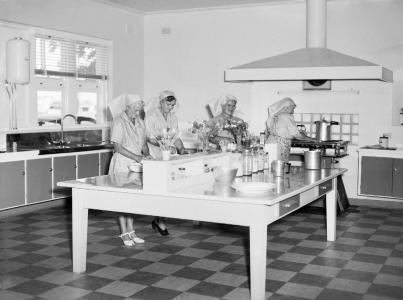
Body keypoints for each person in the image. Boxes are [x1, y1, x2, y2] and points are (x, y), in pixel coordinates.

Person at [108, 94, 148, 246]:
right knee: (122, 198)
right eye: (135, 110)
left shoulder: (140, 122)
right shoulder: (119, 122)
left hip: (136, 163)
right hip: (122, 162)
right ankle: (124, 233)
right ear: (127, 107)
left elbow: (143, 145)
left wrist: (148, 156)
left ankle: (132, 231)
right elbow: (117, 147)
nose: (137, 113)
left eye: (139, 110)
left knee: (131, 199)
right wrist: (137, 157)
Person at [145, 90, 185, 236]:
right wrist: (164, 144)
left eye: (173, 105)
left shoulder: (173, 117)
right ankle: (159, 219)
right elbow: (149, 137)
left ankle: (160, 218)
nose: (170, 107)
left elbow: (175, 136)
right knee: (157, 188)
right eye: (168, 104)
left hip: (168, 155)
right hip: (155, 154)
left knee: (167, 187)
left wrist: (181, 148)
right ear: (161, 102)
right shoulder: (150, 115)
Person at [265, 97, 314, 162]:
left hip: (270, 143)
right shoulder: (287, 116)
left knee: (270, 167)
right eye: (292, 108)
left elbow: (271, 131)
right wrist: (310, 139)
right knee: (280, 167)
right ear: (286, 107)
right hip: (280, 145)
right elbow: (296, 134)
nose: (293, 112)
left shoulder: (274, 116)